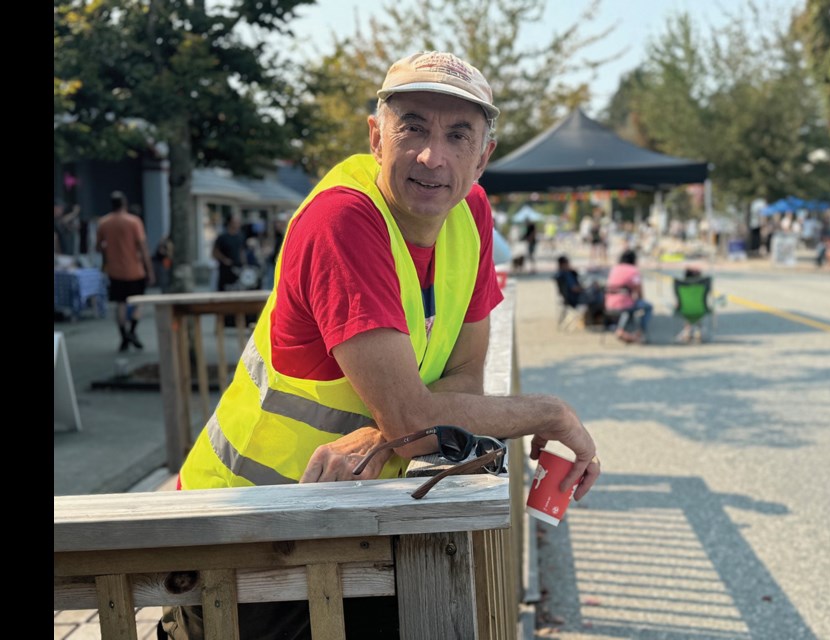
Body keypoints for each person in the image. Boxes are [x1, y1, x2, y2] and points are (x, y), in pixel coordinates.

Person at [159, 50, 600, 639]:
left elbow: (464, 378)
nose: (431, 155)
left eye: (458, 134)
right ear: (376, 136)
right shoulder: (344, 219)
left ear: (484, 155)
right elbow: (413, 417)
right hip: (237, 540)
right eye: (412, 125)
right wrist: (550, 412)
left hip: (336, 522)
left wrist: (385, 431)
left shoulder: (470, 211)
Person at [96, 191, 155, 352]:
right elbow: (143, 248)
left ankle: (123, 336)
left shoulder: (104, 223)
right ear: (125, 204)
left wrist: (107, 258)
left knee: (120, 304)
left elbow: (98, 246)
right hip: (135, 269)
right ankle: (132, 331)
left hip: (115, 271)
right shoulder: (134, 222)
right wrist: (150, 270)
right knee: (138, 302)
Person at [604, 249, 653, 344]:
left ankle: (624, 331)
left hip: (609, 303)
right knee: (648, 307)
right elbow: (639, 292)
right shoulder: (634, 270)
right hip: (625, 304)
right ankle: (640, 332)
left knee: (629, 306)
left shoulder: (614, 269)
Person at [212, 213, 246, 291]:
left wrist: (244, 264)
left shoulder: (240, 236)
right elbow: (214, 252)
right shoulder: (222, 237)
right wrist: (224, 260)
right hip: (225, 270)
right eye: (236, 222)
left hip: (238, 269)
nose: (238, 224)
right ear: (230, 223)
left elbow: (241, 251)